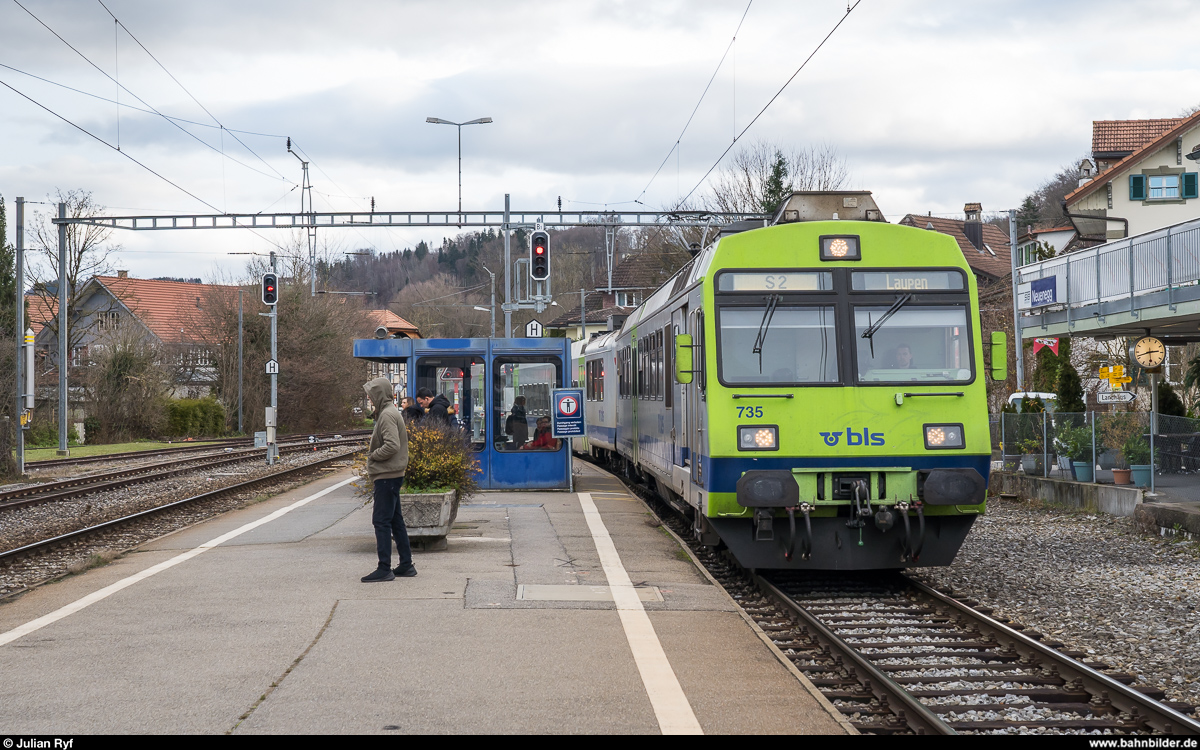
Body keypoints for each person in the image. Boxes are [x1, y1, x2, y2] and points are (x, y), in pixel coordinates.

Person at [361, 376, 416, 583]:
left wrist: (373, 455)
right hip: (393, 474)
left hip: (387, 474)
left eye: (371, 394)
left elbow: (392, 445)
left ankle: (384, 568)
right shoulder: (391, 412)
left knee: (381, 521)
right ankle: (406, 564)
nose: (369, 397)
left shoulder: (386, 415)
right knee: (395, 520)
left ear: (379, 394)